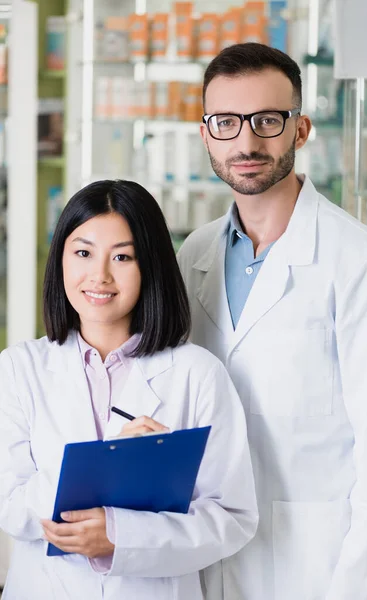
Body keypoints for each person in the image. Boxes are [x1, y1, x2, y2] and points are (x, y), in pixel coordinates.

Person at [177, 42, 367, 600]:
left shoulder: (361, 263)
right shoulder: (192, 255)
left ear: (300, 130)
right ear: (205, 134)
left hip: (316, 569)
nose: (247, 142)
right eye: (226, 122)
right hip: (207, 557)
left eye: (267, 121)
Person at [0, 180, 258, 600]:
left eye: (122, 257)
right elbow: (11, 506)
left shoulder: (197, 374)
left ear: (150, 265)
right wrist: (109, 464)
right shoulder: (18, 369)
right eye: (83, 253)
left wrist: (122, 537)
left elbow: (231, 517)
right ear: (60, 259)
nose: (99, 276)